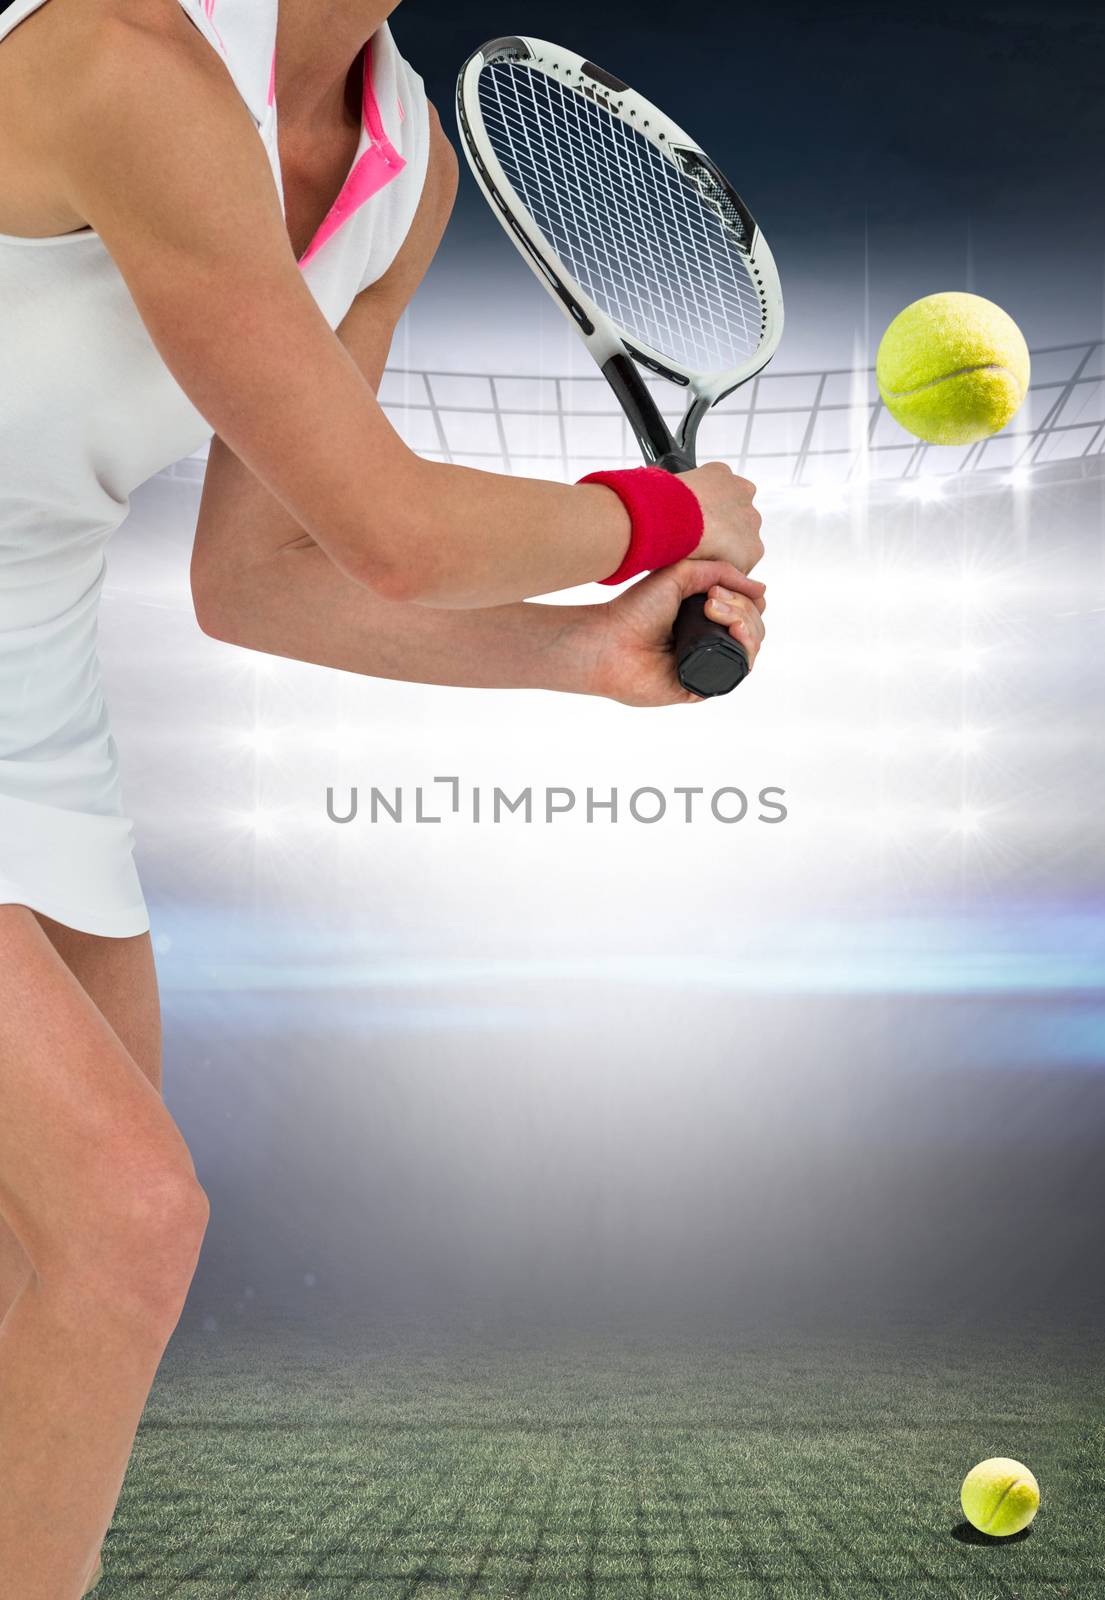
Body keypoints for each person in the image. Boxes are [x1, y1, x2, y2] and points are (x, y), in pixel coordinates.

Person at [0, 1, 767, 1593]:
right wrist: (661, 512)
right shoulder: (116, 60)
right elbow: (392, 529)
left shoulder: (405, 160)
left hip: (36, 710)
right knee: (126, 1224)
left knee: (42, 1273)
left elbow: (262, 575)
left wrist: (573, 654)